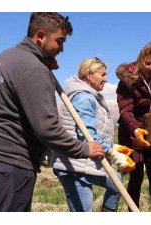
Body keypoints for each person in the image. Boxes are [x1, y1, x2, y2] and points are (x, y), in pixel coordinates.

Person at [0, 12, 103, 212]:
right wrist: (86, 149)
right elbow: (48, 129)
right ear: (41, 36)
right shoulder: (33, 68)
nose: (62, 49)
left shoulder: (5, 57)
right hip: (13, 166)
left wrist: (44, 65)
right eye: (59, 41)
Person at [51, 57, 135, 212]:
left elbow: (92, 132)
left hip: (86, 161)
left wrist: (113, 146)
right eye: (102, 74)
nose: (106, 79)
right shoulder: (84, 98)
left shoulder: (91, 96)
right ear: (89, 75)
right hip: (73, 166)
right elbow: (86, 136)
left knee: (116, 183)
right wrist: (113, 154)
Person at [116, 43, 151, 211]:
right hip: (131, 134)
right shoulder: (127, 80)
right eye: (148, 63)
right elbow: (126, 111)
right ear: (140, 61)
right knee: (136, 177)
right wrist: (135, 130)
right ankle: (133, 211)